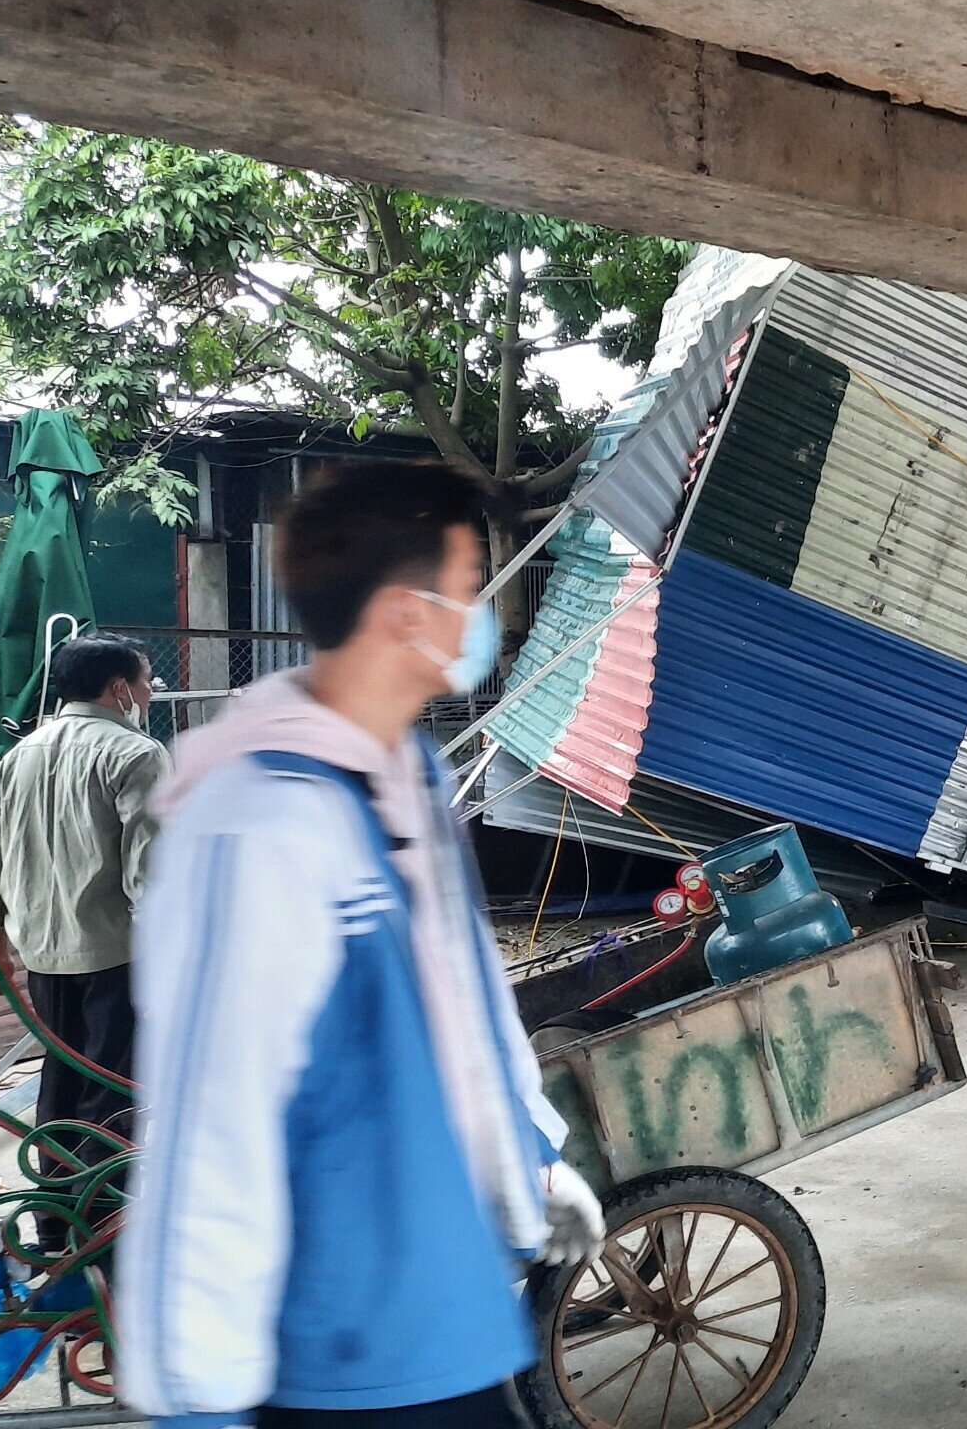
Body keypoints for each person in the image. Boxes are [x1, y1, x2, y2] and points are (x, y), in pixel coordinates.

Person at [118, 462, 603, 1427]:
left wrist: (528, 1160)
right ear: (405, 615)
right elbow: (212, 1127)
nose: (482, 618)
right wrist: (197, 1401)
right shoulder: (259, 828)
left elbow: (461, 1015)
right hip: (342, 1359)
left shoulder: (401, 775)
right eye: (469, 590)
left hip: (445, 1317)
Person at [0, 634, 166, 1245]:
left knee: (61, 1077)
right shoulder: (137, 755)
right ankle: (106, 1226)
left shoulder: (16, 758)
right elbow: (150, 876)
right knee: (114, 1087)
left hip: (44, 957)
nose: (151, 691)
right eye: (146, 680)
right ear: (118, 690)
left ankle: (57, 1223)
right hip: (118, 954)